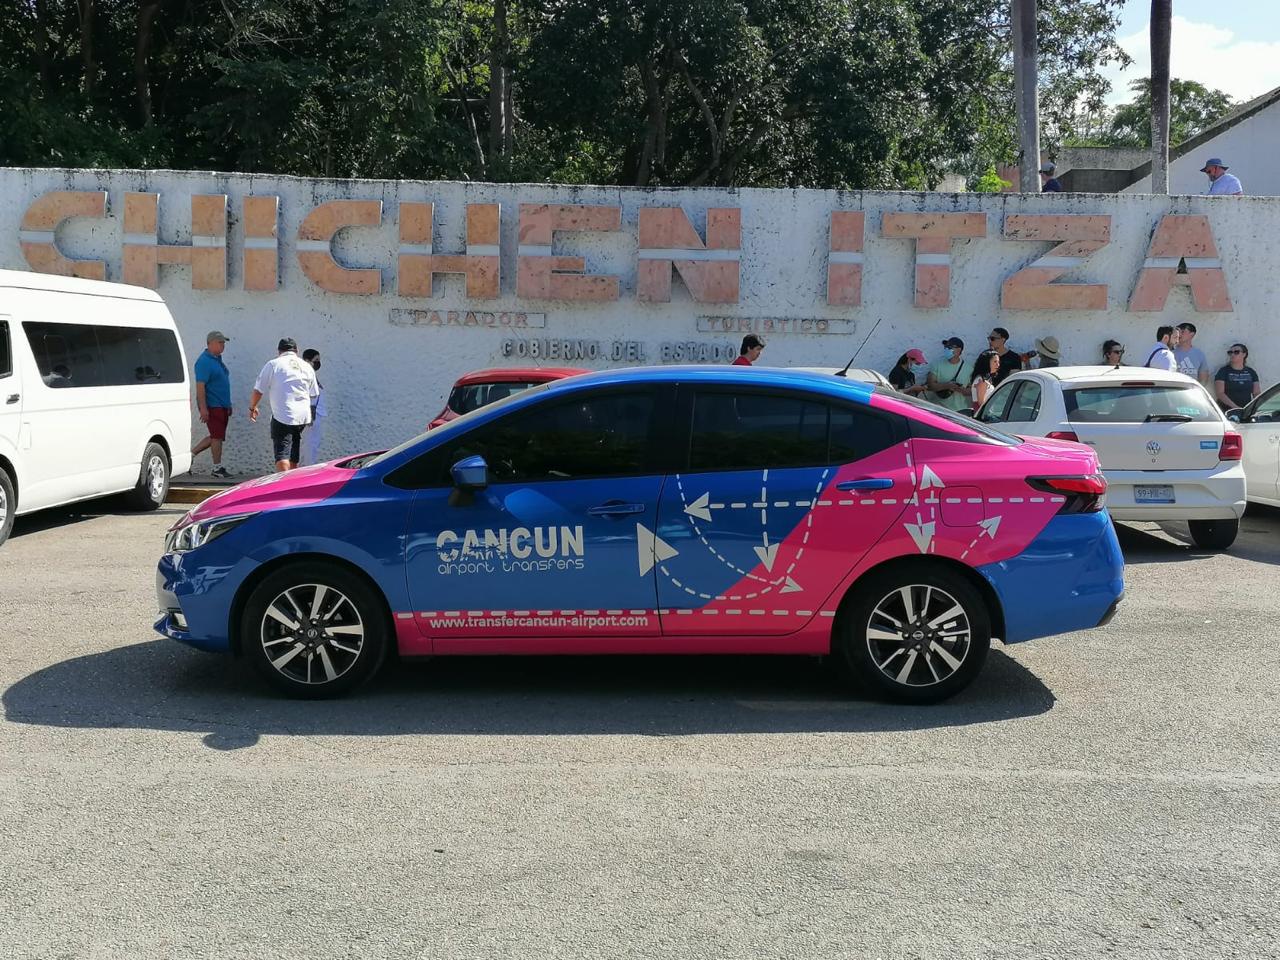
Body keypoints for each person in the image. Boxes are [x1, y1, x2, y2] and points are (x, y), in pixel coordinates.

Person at [249, 337, 319, 472]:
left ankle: (284, 485)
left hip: (282, 415)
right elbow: (314, 393)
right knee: (293, 451)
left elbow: (258, 390)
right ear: (297, 350)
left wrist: (253, 407)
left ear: (279, 351)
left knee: (282, 452)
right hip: (302, 417)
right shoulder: (306, 366)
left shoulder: (273, 364)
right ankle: (292, 484)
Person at [191, 331, 233, 479]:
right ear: (211, 343)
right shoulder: (204, 362)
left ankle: (190, 455)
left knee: (217, 436)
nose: (223, 345)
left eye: (224, 343)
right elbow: (200, 387)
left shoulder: (216, 360)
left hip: (221, 406)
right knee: (216, 437)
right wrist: (203, 408)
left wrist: (228, 404)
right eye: (220, 342)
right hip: (213, 405)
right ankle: (217, 468)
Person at [926, 337, 970, 411]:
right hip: (938, 409)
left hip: (959, 411)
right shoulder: (936, 364)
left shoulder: (969, 368)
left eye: (950, 347)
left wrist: (959, 389)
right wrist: (947, 386)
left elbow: (972, 391)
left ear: (959, 350)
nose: (946, 349)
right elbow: (930, 386)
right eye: (946, 347)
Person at [1214, 343, 1261, 411]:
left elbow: (1256, 393)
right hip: (1226, 410)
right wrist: (1235, 407)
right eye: (1230, 352)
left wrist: (1254, 408)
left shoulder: (1251, 372)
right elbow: (1220, 393)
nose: (1232, 354)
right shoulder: (1223, 371)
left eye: (1236, 352)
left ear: (1244, 354)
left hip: (1245, 411)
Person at [301, 348, 328, 466]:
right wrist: (310, 415)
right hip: (311, 416)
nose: (318, 363)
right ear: (307, 361)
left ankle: (306, 469)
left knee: (312, 445)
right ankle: (306, 472)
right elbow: (309, 397)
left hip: (316, 415)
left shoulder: (311, 375)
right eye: (316, 360)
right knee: (309, 446)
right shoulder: (306, 376)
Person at [1173, 322, 1211, 387]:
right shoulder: (1171, 353)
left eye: (1182, 332)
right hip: (1175, 392)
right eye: (1178, 332)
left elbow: (1203, 378)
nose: (1179, 335)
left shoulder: (1199, 354)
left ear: (1192, 334)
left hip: (1191, 393)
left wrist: (1197, 391)